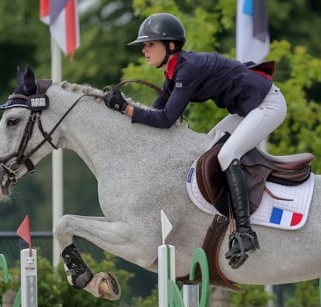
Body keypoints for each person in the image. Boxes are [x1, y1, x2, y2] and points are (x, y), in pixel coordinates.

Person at [104, 12, 287, 270]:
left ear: (170, 45)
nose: (144, 50)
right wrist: (121, 111)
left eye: (149, 44)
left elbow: (166, 119)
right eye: (144, 46)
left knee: (226, 155)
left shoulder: (187, 70)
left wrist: (126, 108)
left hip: (268, 105)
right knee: (209, 146)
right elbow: (155, 112)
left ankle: (245, 233)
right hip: (247, 109)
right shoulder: (174, 70)